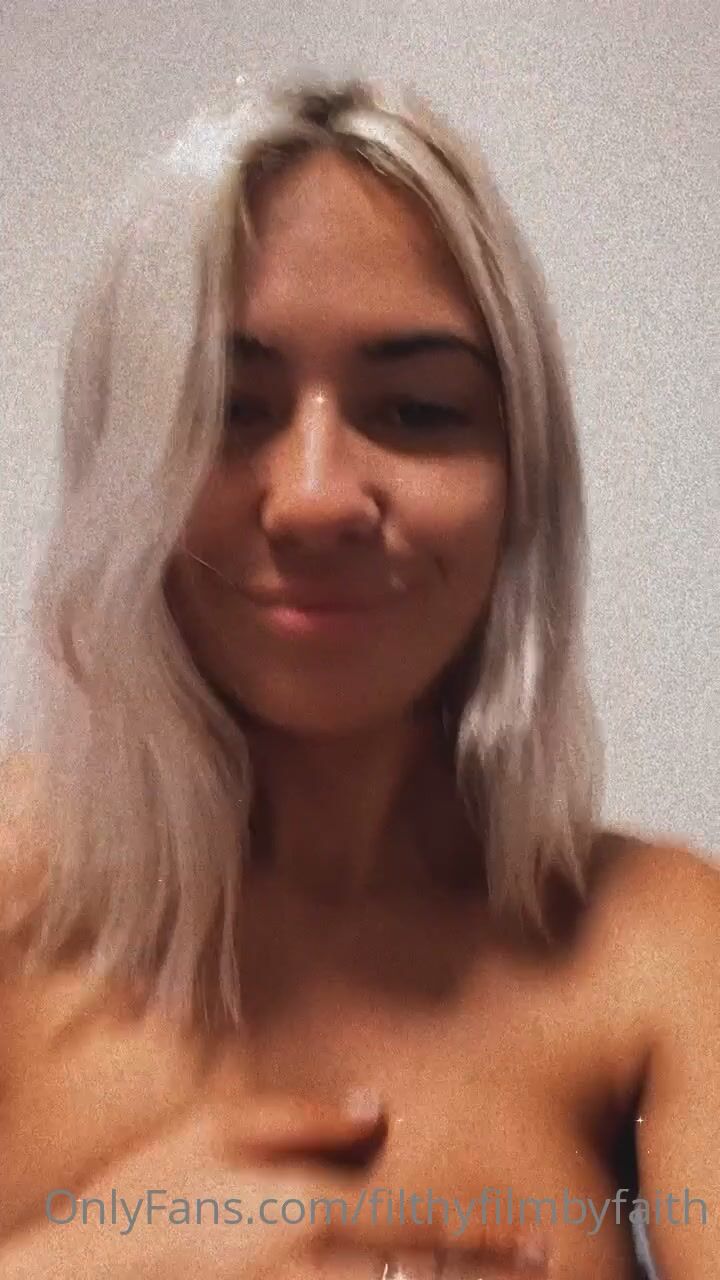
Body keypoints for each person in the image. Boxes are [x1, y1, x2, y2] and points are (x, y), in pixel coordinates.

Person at [0, 74, 717, 1280]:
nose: (317, 495)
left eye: (419, 409)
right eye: (224, 409)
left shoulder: (656, 942)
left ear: (523, 482)